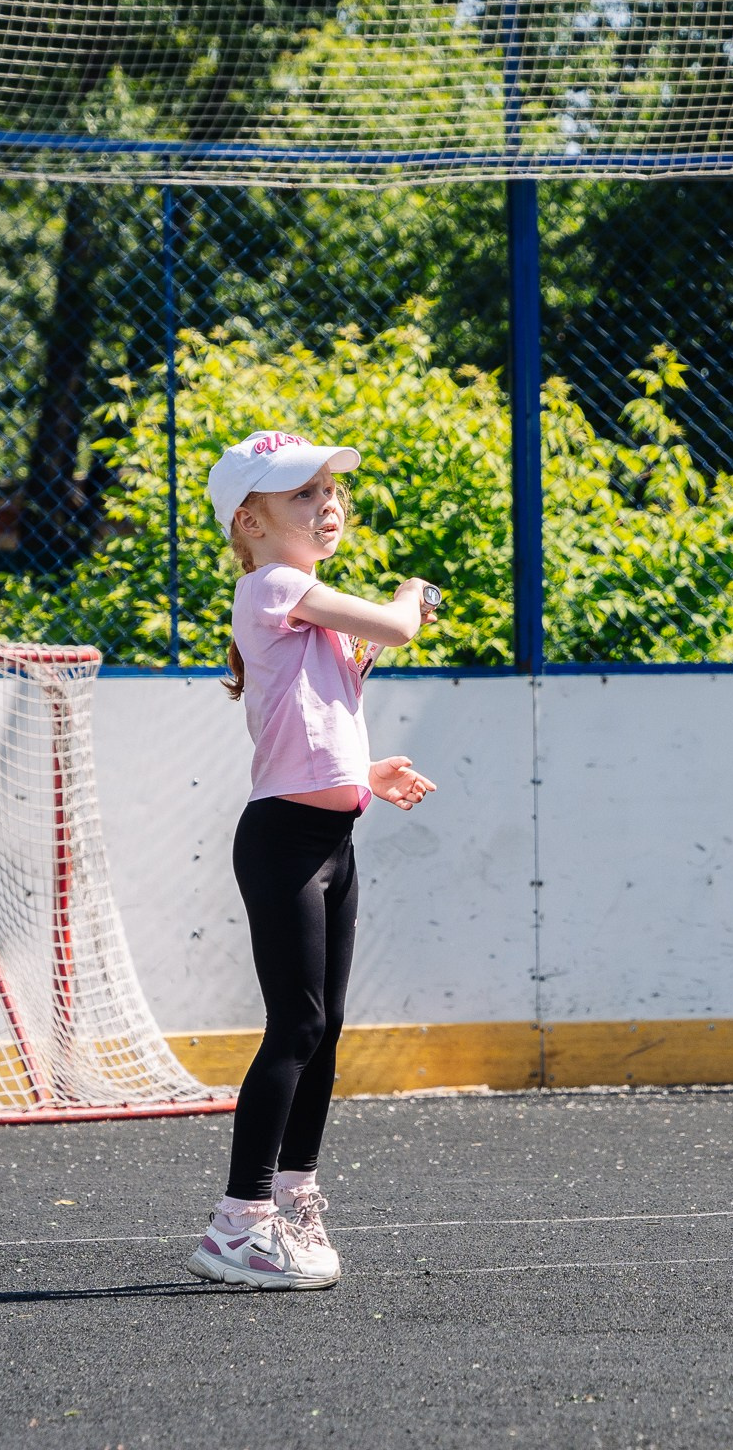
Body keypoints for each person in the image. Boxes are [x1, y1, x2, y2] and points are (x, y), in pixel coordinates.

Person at [185, 429, 439, 1292]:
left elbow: (309, 732)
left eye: (331, 492)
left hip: (331, 837)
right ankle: (238, 1224)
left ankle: (294, 1197)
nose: (326, 505)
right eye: (302, 495)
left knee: (322, 1030)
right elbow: (401, 627)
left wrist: (365, 775)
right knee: (294, 1027)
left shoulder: (301, 610)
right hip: (283, 841)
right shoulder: (277, 585)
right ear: (249, 523)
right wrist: (409, 594)